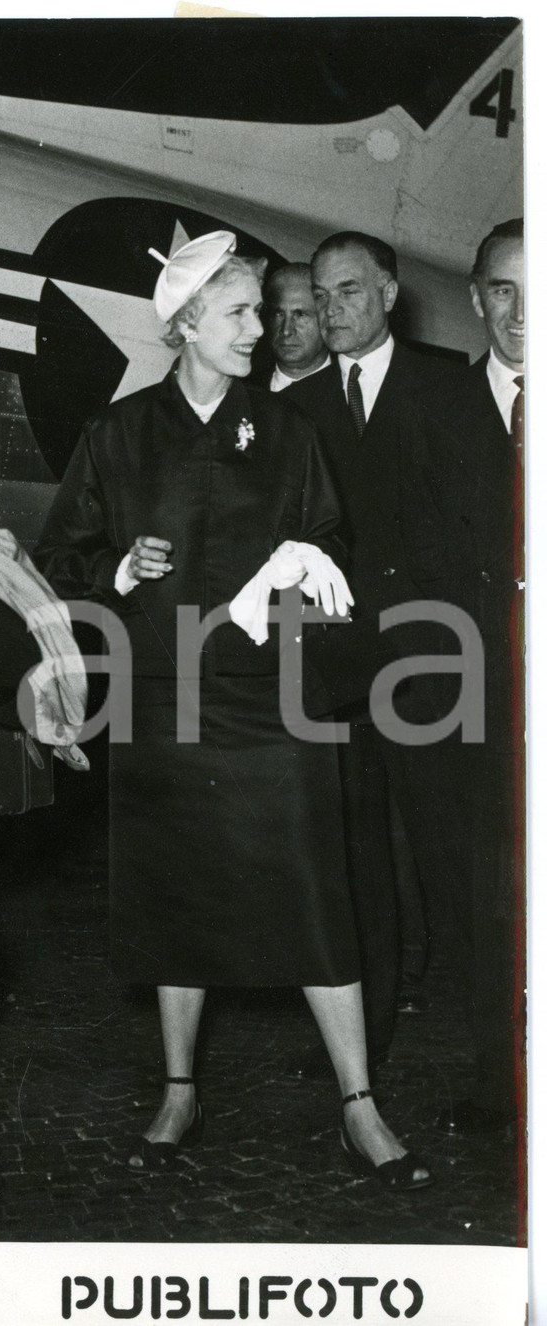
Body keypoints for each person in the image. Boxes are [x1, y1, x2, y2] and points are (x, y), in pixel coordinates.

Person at [36, 230, 431, 1190]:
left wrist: (306, 568)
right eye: (243, 313)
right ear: (186, 326)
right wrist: (118, 569)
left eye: (261, 310)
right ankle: (179, 1089)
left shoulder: (293, 434)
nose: (266, 328)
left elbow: (332, 542)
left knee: (313, 895)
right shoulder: (118, 437)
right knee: (178, 899)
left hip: (276, 704)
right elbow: (62, 561)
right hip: (165, 704)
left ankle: (358, 1101)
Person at [285, 232, 472, 1082]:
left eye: (350, 292)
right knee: (361, 873)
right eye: (321, 297)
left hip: (436, 668)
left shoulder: (446, 387)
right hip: (344, 677)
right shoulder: (302, 409)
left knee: (449, 858)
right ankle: (371, 1052)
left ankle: (488, 1060)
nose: (332, 313)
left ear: (391, 293)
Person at [401, 218, 525, 1136]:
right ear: (476, 298)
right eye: (505, 291)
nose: (523, 313)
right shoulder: (433, 409)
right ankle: (501, 1076)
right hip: (468, 703)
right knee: (482, 893)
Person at [263, 262, 330, 391]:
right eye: (278, 314)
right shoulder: (240, 393)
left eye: (300, 315)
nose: (286, 330)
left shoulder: (351, 395)